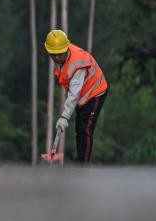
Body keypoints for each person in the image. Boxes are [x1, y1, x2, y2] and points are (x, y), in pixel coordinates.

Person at [44, 29, 108, 164]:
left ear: (65, 49)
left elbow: (74, 93)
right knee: (79, 129)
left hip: (95, 91)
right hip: (82, 94)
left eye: (58, 54)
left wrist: (64, 116)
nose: (56, 58)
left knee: (85, 129)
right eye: (52, 54)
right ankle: (81, 163)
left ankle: (82, 167)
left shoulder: (77, 63)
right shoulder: (60, 57)